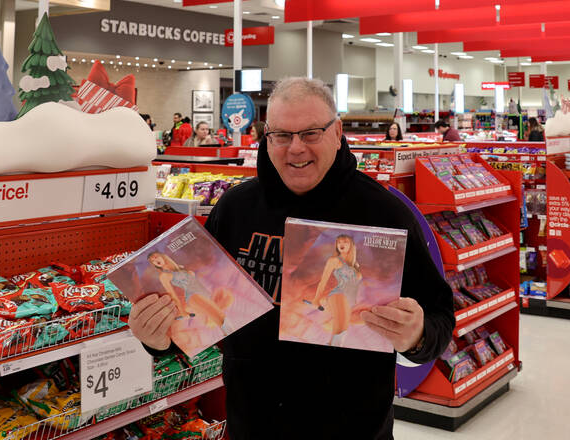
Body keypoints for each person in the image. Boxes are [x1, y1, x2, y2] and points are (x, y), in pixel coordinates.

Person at [127, 77, 454, 440]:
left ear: (337, 132)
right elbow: (197, 320)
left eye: (311, 133)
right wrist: (156, 337)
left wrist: (417, 334)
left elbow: (440, 319)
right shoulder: (235, 210)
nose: (295, 148)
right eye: (281, 135)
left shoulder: (385, 213)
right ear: (266, 138)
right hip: (252, 427)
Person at [310, 234, 362, 346]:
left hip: (349, 299)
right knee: (340, 330)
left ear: (352, 245)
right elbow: (323, 281)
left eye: (345, 242)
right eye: (339, 242)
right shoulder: (334, 260)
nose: (341, 244)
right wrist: (316, 299)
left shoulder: (355, 265)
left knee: (342, 331)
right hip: (339, 294)